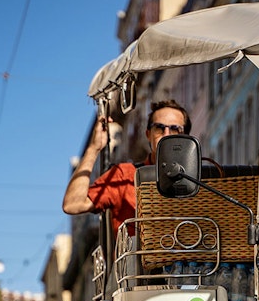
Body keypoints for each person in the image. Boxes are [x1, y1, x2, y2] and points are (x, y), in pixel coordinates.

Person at [62, 99, 192, 234]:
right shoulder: (123, 174)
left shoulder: (201, 179)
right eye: (159, 128)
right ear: (148, 135)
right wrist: (93, 149)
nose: (166, 135)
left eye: (174, 129)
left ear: (186, 137)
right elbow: (73, 204)